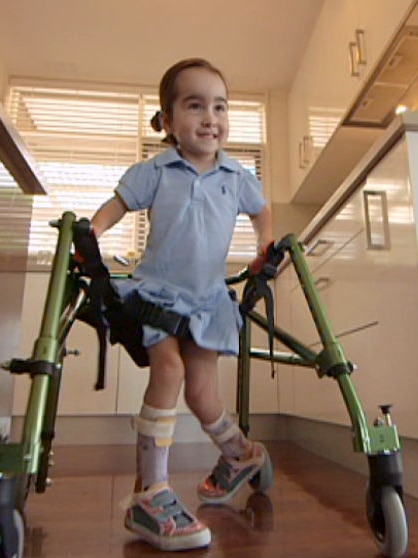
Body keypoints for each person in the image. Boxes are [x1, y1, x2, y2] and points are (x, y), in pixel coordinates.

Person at [91, 57, 274, 552]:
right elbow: (116, 206)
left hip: (208, 300)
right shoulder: (156, 170)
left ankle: (242, 454)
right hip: (158, 294)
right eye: (195, 106)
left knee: (202, 394)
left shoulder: (236, 176)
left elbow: (262, 211)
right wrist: (91, 232)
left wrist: (264, 247)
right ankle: (150, 493)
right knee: (167, 371)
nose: (210, 118)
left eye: (219, 107)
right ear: (168, 121)